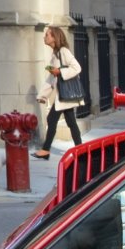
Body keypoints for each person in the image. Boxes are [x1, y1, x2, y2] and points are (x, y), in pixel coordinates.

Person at [37, 25, 84, 158]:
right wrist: (43, 96)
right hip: (63, 96)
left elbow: (77, 67)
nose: (45, 37)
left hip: (65, 94)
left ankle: (45, 150)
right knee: (71, 122)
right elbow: (51, 78)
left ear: (54, 37)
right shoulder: (55, 54)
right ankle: (80, 150)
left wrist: (60, 71)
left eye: (47, 34)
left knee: (52, 119)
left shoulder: (63, 51)